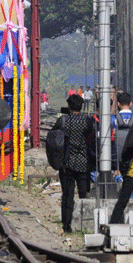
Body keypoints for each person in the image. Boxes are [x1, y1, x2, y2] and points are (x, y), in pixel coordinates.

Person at [50, 94, 95, 233]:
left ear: (69, 106)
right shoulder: (87, 121)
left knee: (67, 195)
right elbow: (91, 138)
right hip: (83, 162)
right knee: (84, 194)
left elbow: (54, 137)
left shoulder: (62, 121)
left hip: (66, 163)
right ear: (81, 107)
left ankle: (67, 225)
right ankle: (85, 224)